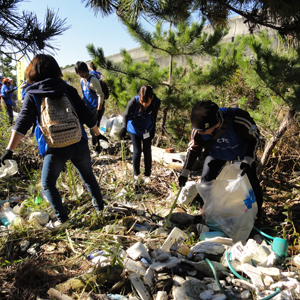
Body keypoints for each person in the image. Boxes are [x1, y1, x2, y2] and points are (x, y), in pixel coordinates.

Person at [0, 54, 108, 229]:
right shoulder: (68, 89)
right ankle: (101, 209)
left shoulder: (32, 93)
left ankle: (62, 219)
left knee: (48, 184)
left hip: (54, 146)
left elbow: (23, 122)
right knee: (88, 177)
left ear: (33, 73)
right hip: (78, 140)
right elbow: (85, 114)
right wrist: (97, 133)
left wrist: (9, 150)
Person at [179, 100, 263, 218]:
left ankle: (257, 214)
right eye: (197, 130)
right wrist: (185, 172)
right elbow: (193, 149)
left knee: (251, 182)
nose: (199, 133)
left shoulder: (238, 120)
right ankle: (205, 212)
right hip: (216, 154)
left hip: (242, 155)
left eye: (203, 131)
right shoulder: (198, 129)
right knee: (206, 181)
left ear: (214, 124)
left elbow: (255, 138)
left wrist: (249, 159)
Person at [119, 85, 161, 183]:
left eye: (147, 102)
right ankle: (136, 175)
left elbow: (154, 116)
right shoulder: (133, 102)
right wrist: (124, 128)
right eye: (142, 101)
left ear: (152, 98)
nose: (144, 104)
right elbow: (125, 115)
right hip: (134, 129)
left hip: (147, 129)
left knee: (147, 151)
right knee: (137, 151)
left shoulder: (156, 102)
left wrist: (153, 130)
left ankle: (147, 175)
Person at [75, 61, 104, 155]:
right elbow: (84, 95)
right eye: (78, 73)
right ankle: (97, 146)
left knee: (93, 130)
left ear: (86, 70)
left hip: (96, 107)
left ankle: (97, 149)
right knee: (90, 129)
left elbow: (101, 95)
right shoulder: (82, 81)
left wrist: (99, 111)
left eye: (82, 72)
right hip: (88, 108)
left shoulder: (93, 80)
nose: (80, 74)